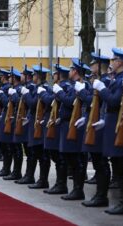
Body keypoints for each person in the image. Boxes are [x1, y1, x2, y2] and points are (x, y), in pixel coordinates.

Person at [92, 48, 123, 214]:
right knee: (118, 164)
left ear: (120, 62)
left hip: (119, 125)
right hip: (113, 124)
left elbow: (114, 101)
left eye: (113, 60)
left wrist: (102, 89)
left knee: (122, 166)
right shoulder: (119, 79)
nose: (111, 62)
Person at [53, 58, 90, 200]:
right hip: (68, 123)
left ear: (75, 71)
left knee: (76, 160)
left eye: (70, 69)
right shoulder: (75, 85)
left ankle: (78, 190)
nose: (69, 71)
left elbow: (69, 102)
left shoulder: (80, 85)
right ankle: (74, 189)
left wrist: (60, 93)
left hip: (76, 125)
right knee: (71, 159)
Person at [79, 53, 111, 207]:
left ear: (99, 65)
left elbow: (95, 101)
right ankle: (99, 194)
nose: (91, 66)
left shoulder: (105, 82)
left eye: (93, 63)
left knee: (101, 162)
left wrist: (82, 91)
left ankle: (101, 196)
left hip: (99, 124)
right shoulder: (100, 81)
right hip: (94, 121)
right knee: (98, 162)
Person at [42, 65, 70, 195]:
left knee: (59, 157)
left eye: (55, 74)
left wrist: (43, 93)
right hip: (54, 122)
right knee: (56, 155)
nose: (52, 76)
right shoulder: (58, 87)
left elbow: (49, 100)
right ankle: (59, 183)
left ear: (59, 75)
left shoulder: (64, 87)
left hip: (58, 123)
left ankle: (61, 184)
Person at [15, 67, 36, 185]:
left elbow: (31, 104)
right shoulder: (26, 87)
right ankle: (28, 175)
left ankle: (30, 175)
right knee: (28, 150)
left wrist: (25, 93)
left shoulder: (31, 87)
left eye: (22, 74)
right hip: (26, 120)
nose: (20, 76)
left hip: (30, 121)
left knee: (30, 151)